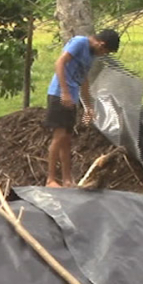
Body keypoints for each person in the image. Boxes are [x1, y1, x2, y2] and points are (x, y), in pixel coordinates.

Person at [45, 29, 120, 187]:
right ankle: (51, 179)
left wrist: (88, 106)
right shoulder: (80, 42)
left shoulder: (91, 55)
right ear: (101, 44)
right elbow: (59, 62)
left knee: (67, 139)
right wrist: (64, 92)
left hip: (72, 97)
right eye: (105, 52)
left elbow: (83, 80)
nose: (102, 55)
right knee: (59, 137)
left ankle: (67, 179)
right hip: (59, 94)